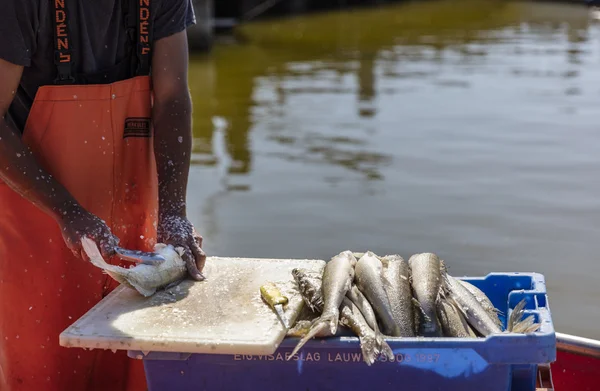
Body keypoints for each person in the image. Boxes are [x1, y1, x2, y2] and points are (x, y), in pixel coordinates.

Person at [0, 0, 206, 390]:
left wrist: (174, 213)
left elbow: (172, 97)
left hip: (132, 226)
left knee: (132, 372)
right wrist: (67, 211)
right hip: (39, 221)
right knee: (44, 375)